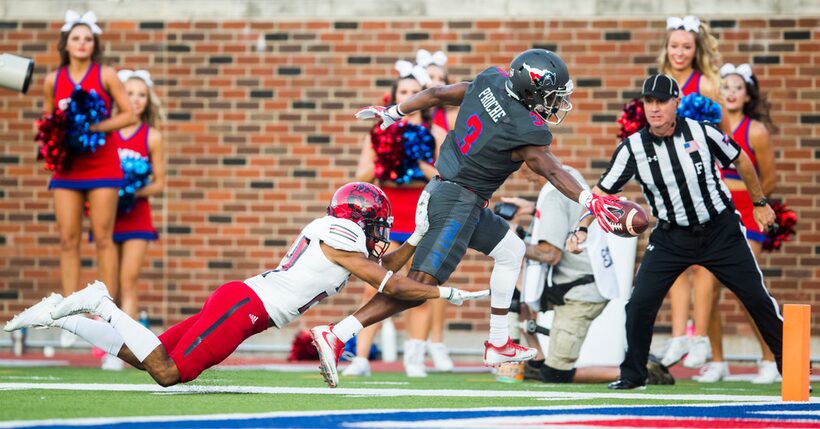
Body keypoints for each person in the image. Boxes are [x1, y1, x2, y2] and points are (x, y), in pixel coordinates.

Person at [310, 48, 622, 388]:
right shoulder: (527, 128)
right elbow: (553, 169)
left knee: (511, 251)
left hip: (455, 195)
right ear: (530, 90)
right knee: (420, 286)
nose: (553, 103)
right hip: (457, 203)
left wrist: (395, 112)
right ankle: (337, 333)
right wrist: (590, 199)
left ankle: (498, 343)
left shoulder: (491, 80)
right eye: (550, 95)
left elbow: (437, 94)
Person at [4, 183, 486, 387]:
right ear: (360, 219)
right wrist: (446, 292)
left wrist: (422, 236)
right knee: (172, 373)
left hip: (244, 300)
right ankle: (101, 304)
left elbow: (391, 266)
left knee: (141, 354)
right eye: (379, 222)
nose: (383, 230)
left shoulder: (347, 237)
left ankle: (69, 318)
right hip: (247, 307)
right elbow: (393, 285)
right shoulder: (339, 236)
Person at [569, 74, 780, 390]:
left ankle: (791, 366)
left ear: (676, 103)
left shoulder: (702, 132)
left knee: (757, 299)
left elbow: (741, 159)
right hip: (671, 236)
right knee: (639, 304)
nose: (654, 108)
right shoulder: (633, 148)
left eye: (661, 101)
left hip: (720, 230)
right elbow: (600, 193)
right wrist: (582, 226)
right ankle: (634, 375)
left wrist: (759, 202)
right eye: (649, 102)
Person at [504, 167, 673, 385]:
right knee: (521, 304)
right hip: (580, 281)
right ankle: (535, 364)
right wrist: (532, 207)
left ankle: (643, 370)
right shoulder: (567, 176)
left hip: (581, 291)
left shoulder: (553, 196)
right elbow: (570, 210)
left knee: (556, 374)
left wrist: (506, 241)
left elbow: (550, 254)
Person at [45, 11, 138, 347]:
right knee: (68, 239)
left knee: (102, 237)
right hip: (68, 168)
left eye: (87, 38)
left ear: (94, 44)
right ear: (66, 44)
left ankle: (106, 313)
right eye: (76, 38)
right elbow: (49, 120)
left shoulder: (107, 74)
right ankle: (70, 316)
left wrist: (94, 127)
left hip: (102, 165)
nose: (82, 43)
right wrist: (52, 137)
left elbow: (129, 113)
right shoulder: (53, 79)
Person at [343, 62, 439, 378]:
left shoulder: (435, 133)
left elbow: (444, 177)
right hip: (388, 217)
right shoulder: (379, 132)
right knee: (375, 284)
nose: (410, 97)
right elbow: (362, 176)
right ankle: (360, 358)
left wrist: (417, 160)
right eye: (405, 92)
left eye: (416, 93)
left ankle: (414, 358)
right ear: (394, 97)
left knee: (418, 286)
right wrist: (388, 155)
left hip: (422, 216)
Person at [695, 63, 778, 383]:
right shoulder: (706, 126)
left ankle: (770, 358)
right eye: (725, 87)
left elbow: (768, 180)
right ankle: (717, 360)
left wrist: (751, 204)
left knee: (747, 288)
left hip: (746, 214)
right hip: (713, 214)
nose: (730, 92)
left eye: (737, 88)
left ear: (747, 95)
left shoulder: (755, 131)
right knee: (708, 287)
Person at [658, 15, 728, 369]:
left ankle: (700, 339)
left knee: (703, 265)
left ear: (697, 48)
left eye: (687, 46)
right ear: (666, 48)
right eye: (675, 46)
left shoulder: (710, 83)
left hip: (702, 179)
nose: (680, 52)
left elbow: (723, 136)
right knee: (675, 260)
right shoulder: (659, 83)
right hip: (669, 181)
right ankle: (677, 337)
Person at [98, 69, 165, 370]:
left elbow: (159, 183)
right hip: (108, 217)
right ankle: (107, 344)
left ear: (148, 99)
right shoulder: (107, 132)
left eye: (141, 95)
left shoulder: (152, 136)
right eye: (131, 94)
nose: (136, 100)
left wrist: (131, 191)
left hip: (137, 216)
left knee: (128, 282)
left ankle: (125, 350)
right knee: (108, 284)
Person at [403, 49, 460, 376]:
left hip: (437, 196)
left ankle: (436, 342)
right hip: (408, 203)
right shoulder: (415, 115)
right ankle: (420, 345)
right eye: (432, 79)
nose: (437, 85)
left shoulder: (448, 119)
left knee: (434, 273)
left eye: (441, 80)